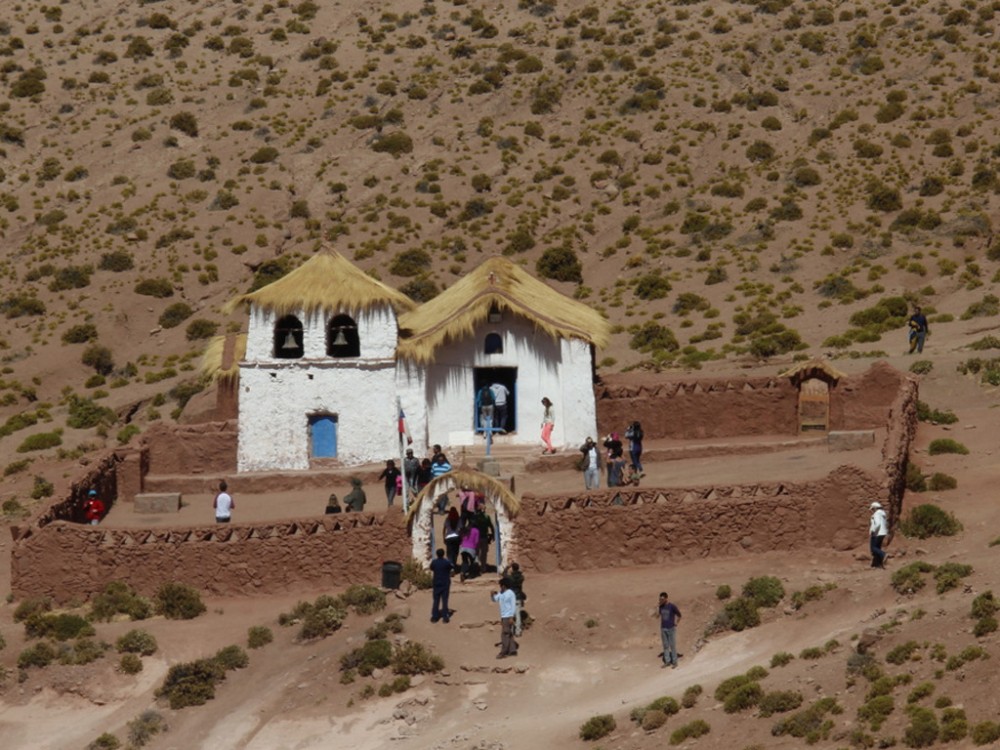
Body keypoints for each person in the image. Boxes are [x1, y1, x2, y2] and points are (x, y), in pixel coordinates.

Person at [492, 577, 518, 659]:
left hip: (508, 616)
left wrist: (512, 617)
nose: (500, 587)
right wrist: (492, 595)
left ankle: (504, 652)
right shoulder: (501, 593)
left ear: (504, 585)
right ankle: (512, 650)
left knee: (505, 634)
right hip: (503, 616)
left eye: (501, 585)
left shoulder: (510, 593)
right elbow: (495, 600)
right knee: (508, 633)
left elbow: (513, 605)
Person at [655, 592, 681, 669]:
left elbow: (679, 615)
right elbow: (657, 616)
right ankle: (667, 661)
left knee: (672, 645)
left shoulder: (672, 606)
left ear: (666, 598)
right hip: (663, 628)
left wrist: (676, 623)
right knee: (665, 646)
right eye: (660, 599)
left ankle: (675, 662)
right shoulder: (661, 607)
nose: (661, 600)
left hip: (671, 628)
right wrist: (657, 607)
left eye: (662, 599)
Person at [430, 548, 454, 623]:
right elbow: (451, 567)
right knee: (445, 600)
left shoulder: (434, 562)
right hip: (445, 583)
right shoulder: (446, 562)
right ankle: (445, 617)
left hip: (436, 582)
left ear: (437, 554)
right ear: (443, 554)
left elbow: (431, 568)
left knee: (436, 600)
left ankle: (434, 617)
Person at [504, 562, 527, 636]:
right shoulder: (521, 577)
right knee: (518, 615)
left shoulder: (510, 578)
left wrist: (507, 568)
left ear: (512, 568)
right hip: (518, 597)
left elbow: (504, 574)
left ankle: (511, 631)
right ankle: (518, 631)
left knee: (511, 615)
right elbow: (521, 576)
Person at [870, 501, 889, 568]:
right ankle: (879, 564)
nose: (872, 510)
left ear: (875, 508)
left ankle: (883, 554)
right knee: (877, 548)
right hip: (883, 533)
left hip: (877, 533)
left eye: (872, 509)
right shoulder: (883, 513)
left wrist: (873, 530)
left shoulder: (877, 514)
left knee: (873, 548)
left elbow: (877, 524)